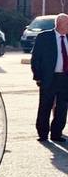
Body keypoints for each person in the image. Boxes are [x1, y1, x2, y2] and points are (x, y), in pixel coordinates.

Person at [30, 13, 68, 143]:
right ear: (59, 24)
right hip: (48, 77)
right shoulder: (44, 37)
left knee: (62, 108)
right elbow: (36, 58)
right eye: (67, 23)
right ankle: (43, 134)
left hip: (65, 78)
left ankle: (57, 134)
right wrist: (37, 76)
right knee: (45, 106)